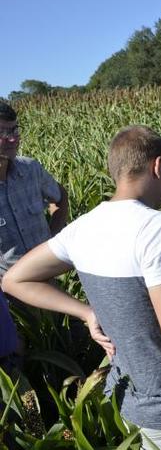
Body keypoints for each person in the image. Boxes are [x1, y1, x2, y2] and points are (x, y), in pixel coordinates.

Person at [1, 125, 161, 449]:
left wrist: (86, 312)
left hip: (128, 400)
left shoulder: (82, 228)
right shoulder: (156, 227)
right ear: (158, 166)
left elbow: (14, 279)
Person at [0, 101, 69, 373]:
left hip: (50, 285)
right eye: (3, 132)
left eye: (14, 129)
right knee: (23, 369)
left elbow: (59, 198)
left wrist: (54, 239)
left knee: (67, 350)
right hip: (10, 303)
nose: (13, 138)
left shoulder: (31, 170)